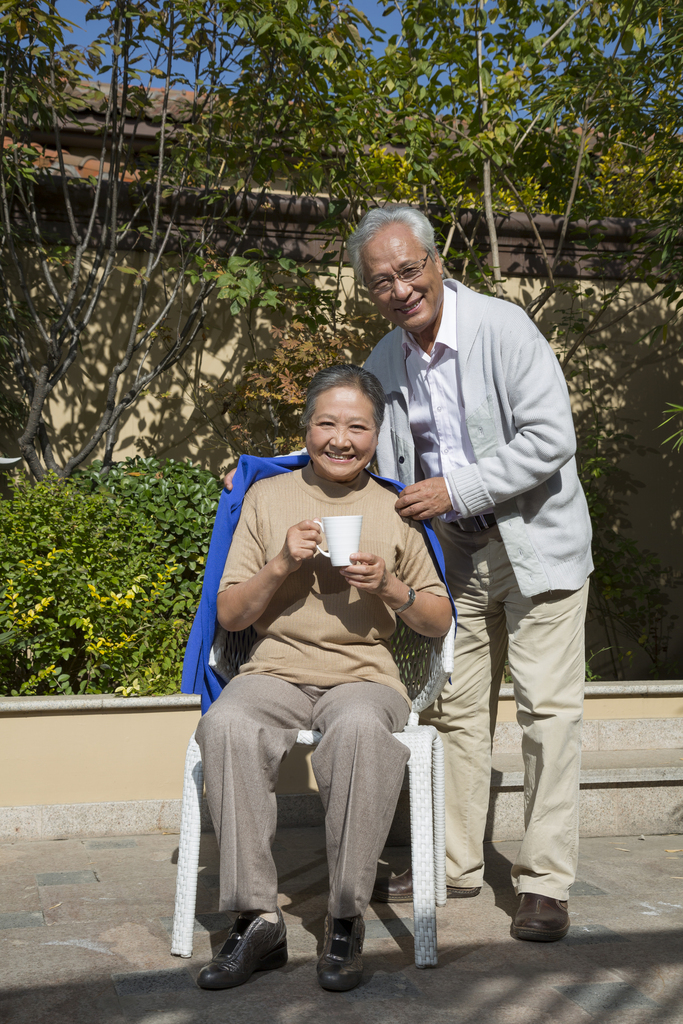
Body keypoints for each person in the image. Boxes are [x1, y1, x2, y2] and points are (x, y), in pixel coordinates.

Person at [346, 206, 593, 942]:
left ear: (437, 261)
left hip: (536, 545)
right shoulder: (383, 362)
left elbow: (551, 436)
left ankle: (544, 882)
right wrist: (262, 476)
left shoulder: (502, 328)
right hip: (453, 560)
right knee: (454, 713)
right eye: (381, 281)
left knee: (547, 716)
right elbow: (356, 451)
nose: (399, 289)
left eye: (408, 269)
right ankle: (452, 863)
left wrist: (459, 487)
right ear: (370, 291)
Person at [197, 364, 451, 993]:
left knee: (363, 728)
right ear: (305, 428)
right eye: (327, 423)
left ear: (376, 433)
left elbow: (438, 619)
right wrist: (283, 561)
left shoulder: (395, 507)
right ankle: (256, 919)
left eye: (357, 426)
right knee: (227, 723)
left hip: (364, 673)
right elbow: (229, 614)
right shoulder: (267, 498)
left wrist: (390, 587)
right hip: (275, 667)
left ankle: (344, 916)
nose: (341, 438)